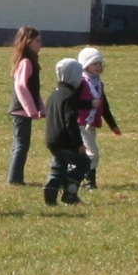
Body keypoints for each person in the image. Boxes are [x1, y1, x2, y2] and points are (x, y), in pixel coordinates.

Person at [42, 58, 95, 206]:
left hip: (52, 140)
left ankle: (51, 190)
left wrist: (90, 104)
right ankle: (69, 191)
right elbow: (70, 122)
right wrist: (79, 144)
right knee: (84, 163)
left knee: (59, 165)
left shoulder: (54, 94)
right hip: (66, 141)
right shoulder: (70, 96)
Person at [76, 47, 120, 189]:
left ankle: (77, 178)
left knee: (83, 152)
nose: (99, 67)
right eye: (95, 63)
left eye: (100, 64)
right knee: (92, 152)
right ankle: (90, 182)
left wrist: (113, 125)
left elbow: (104, 106)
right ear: (85, 65)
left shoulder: (98, 84)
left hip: (92, 123)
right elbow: (72, 102)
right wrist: (89, 103)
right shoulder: (80, 82)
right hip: (80, 123)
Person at [6, 27, 44, 186]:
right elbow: (21, 87)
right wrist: (31, 110)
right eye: (37, 41)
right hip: (21, 111)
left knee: (22, 144)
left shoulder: (31, 61)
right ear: (28, 41)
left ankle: (16, 178)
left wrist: (41, 107)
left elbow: (34, 89)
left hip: (25, 111)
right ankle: (15, 179)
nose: (40, 45)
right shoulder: (26, 61)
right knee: (21, 145)